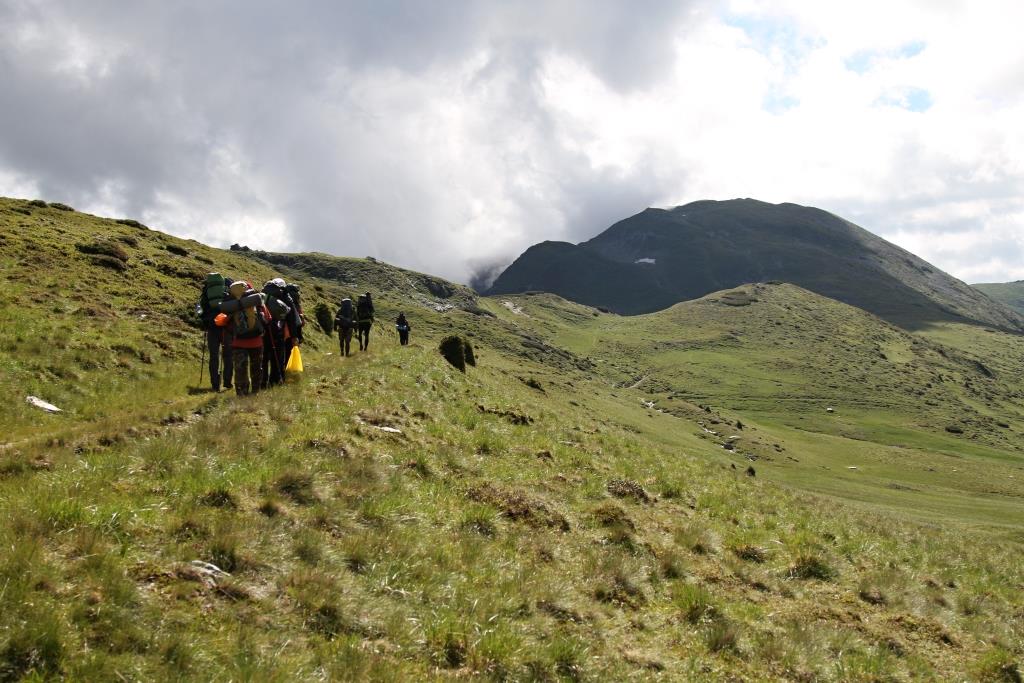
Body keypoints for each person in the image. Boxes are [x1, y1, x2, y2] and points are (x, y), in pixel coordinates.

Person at [225, 281, 271, 396]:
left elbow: (226, 323)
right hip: (256, 341)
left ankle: (241, 393)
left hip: (238, 342)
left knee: (240, 369)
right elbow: (267, 318)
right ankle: (255, 392)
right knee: (256, 368)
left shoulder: (232, 304)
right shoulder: (256, 301)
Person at [197, 272, 233, 391]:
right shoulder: (227, 290)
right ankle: (227, 382)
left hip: (212, 327)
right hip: (226, 327)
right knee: (228, 355)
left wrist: (205, 321)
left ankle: (215, 384)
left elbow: (200, 310)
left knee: (214, 356)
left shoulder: (206, 293)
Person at [261, 279, 292, 387]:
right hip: (278, 331)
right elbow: (289, 315)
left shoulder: (261, 297)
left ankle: (262, 382)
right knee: (278, 358)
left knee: (264, 358)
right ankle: (275, 381)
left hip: (263, 331)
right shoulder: (282, 297)